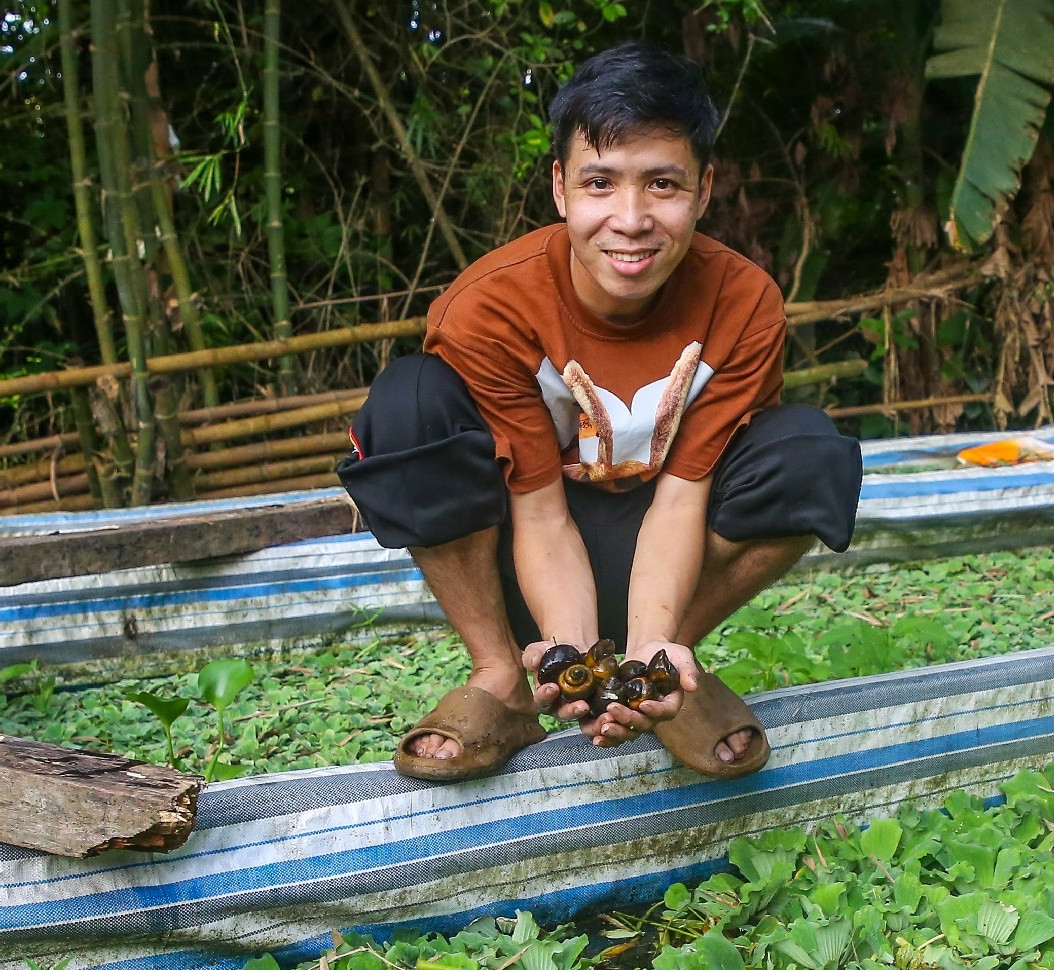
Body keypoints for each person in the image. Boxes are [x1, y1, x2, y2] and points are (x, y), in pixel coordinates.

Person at [336, 42, 862, 784]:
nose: (631, 218)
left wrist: (645, 645)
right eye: (599, 183)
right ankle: (500, 675)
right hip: (521, 546)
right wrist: (568, 655)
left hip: (664, 545)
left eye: (663, 184)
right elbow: (541, 514)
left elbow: (683, 497)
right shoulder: (490, 306)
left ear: (704, 189)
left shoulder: (744, 302)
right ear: (559, 188)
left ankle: (660, 674)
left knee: (809, 452)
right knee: (408, 399)